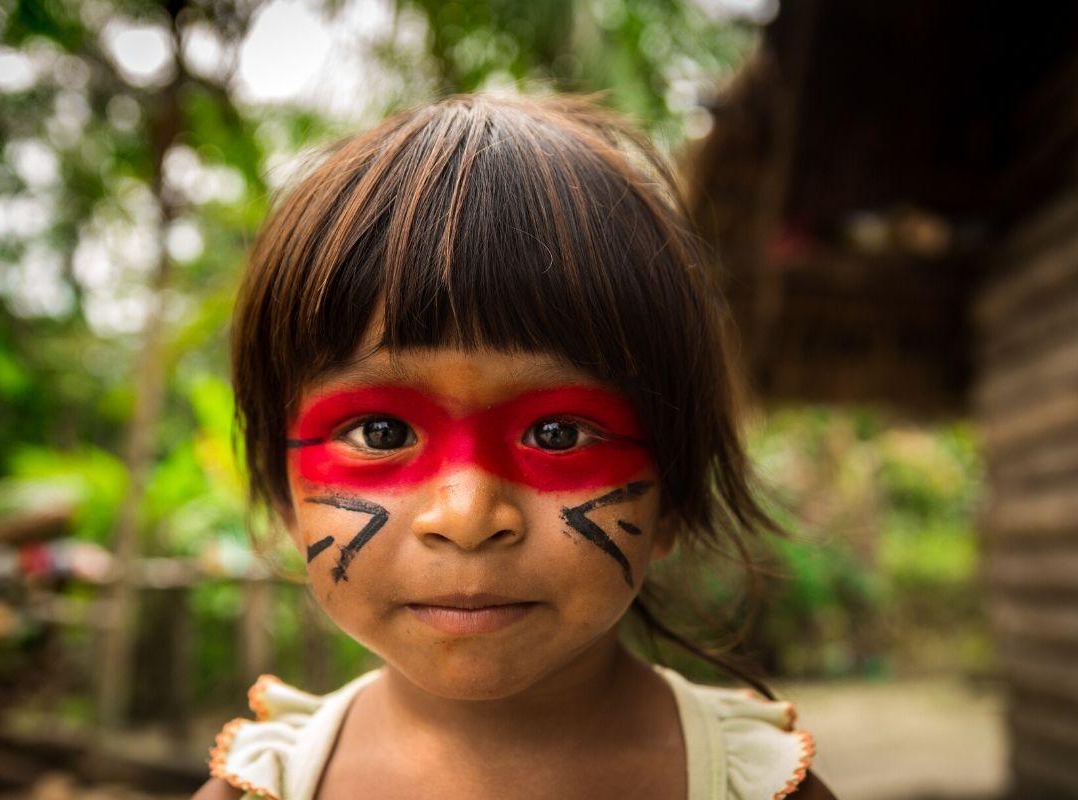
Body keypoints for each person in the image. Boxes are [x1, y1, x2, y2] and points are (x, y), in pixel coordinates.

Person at [192, 93, 838, 800]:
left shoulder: (761, 786)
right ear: (285, 494)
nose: (467, 516)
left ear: (674, 493)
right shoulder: (261, 786)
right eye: (381, 433)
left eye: (559, 434)